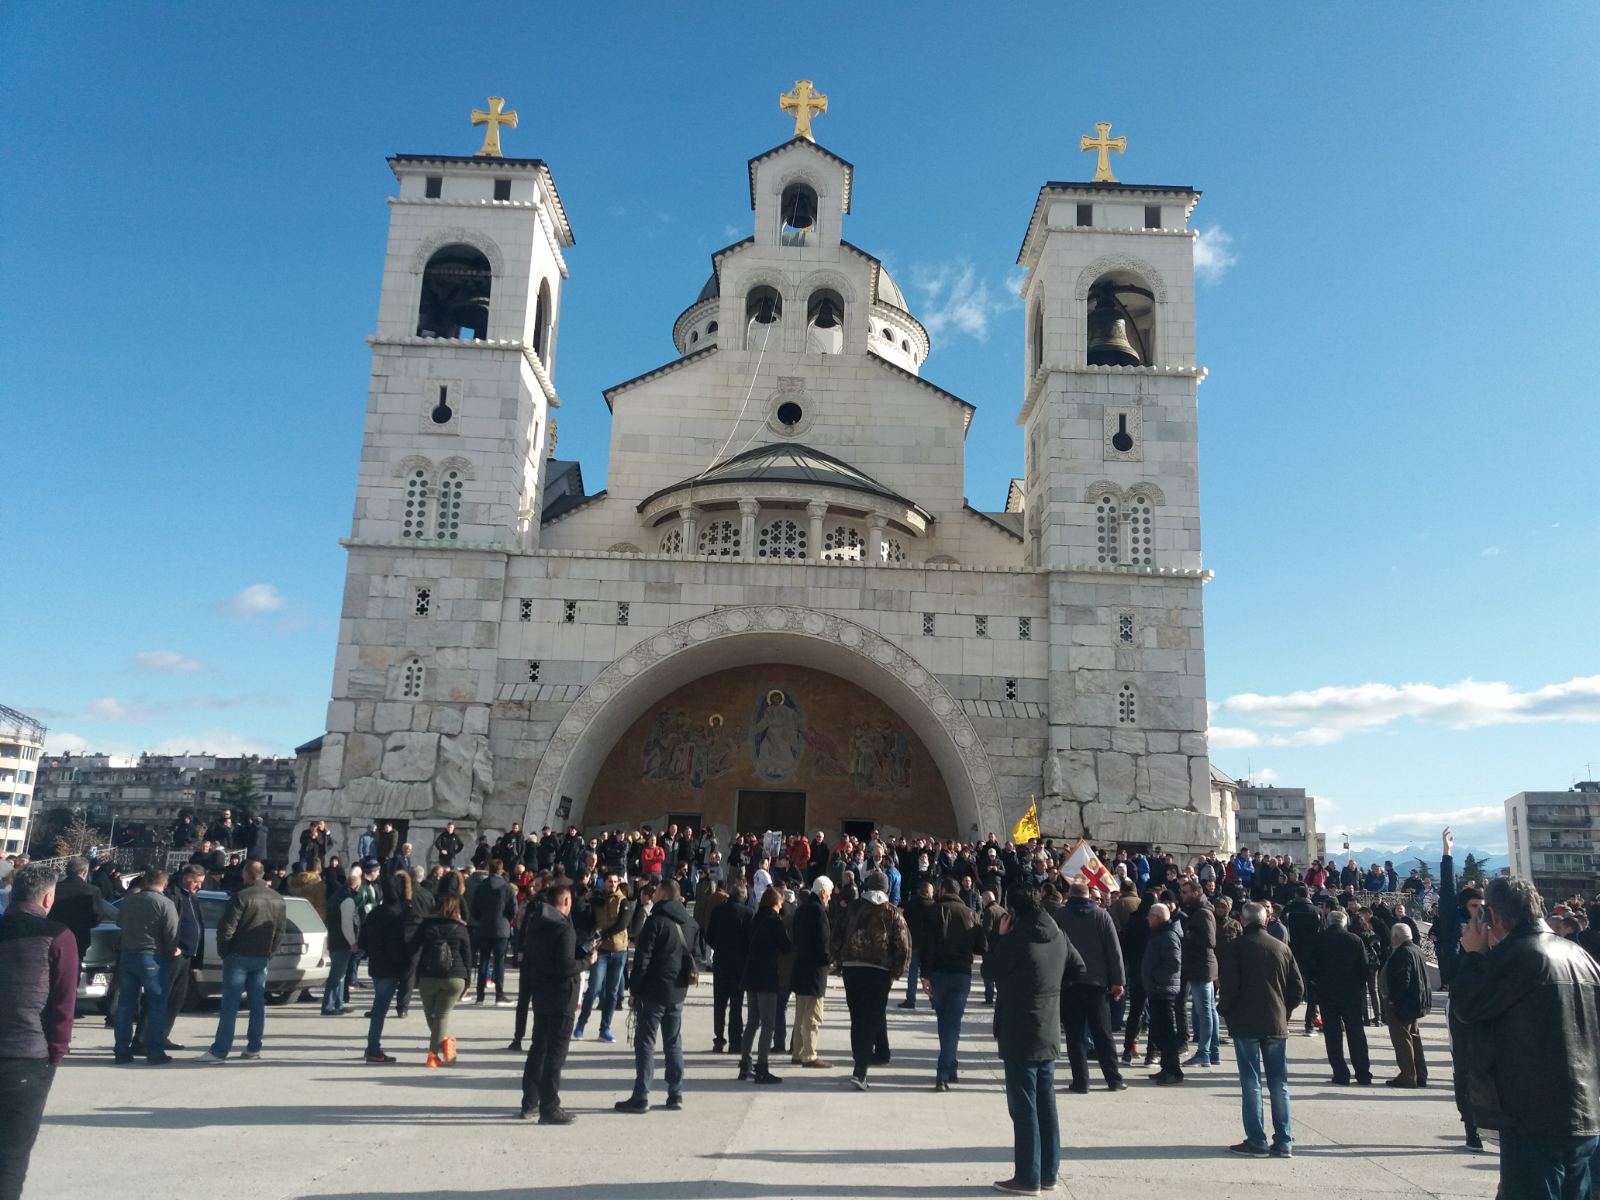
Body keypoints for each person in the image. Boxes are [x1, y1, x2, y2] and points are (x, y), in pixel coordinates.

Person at [1453, 875, 1600, 1196]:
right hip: (1586, 1111)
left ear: (1492, 916)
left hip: (1533, 1116)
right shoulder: (1580, 956)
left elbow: (1467, 1007)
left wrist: (1474, 955)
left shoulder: (1516, 956)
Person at [982, 885, 1082, 1196]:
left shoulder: (1017, 939)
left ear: (1014, 913)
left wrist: (999, 937)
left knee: (1023, 1107)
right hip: (1048, 1025)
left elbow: (989, 970)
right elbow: (1079, 968)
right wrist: (1051, 989)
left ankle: (1027, 1177)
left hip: (1020, 1028)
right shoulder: (1057, 934)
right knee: (1046, 1104)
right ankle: (1048, 1173)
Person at [0, 863, 78, 1200]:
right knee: (11, 1158)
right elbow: (64, 1003)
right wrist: (57, 1052)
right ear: (48, 898)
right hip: (26, 1056)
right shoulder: (59, 936)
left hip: (23, 1052)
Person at [1218, 900, 1304, 1158]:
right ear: (1266, 920)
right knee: (1279, 1084)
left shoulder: (1237, 948)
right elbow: (1297, 989)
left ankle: (1256, 1140)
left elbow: (1229, 988)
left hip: (1246, 1023)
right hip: (1275, 1022)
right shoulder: (1282, 948)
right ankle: (1284, 1140)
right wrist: (1284, 1010)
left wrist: (1225, 1011)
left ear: (1243, 921)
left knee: (1252, 1082)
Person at [615, 878, 695, 1113]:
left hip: (653, 990)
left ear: (663, 894)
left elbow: (642, 960)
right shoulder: (689, 923)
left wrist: (634, 990)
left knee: (646, 1043)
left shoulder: (656, 922)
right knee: (673, 1042)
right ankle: (675, 1093)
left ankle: (641, 1095)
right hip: (678, 990)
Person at [198, 860, 287, 1063]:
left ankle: (220, 1050)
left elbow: (227, 927)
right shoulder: (277, 898)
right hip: (261, 956)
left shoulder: (242, 896)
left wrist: (225, 952)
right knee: (257, 1004)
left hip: (238, 955)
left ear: (247, 874)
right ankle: (254, 1047)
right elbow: (280, 931)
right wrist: (270, 952)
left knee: (230, 1005)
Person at [830, 868, 911, 1090]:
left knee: (857, 1018)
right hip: (879, 972)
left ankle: (860, 1060)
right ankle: (861, 1070)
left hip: (852, 969)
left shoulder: (853, 908)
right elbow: (903, 947)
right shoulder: (893, 913)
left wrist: (839, 959)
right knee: (872, 1018)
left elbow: (836, 934)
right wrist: (895, 972)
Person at [520, 882, 591, 1123]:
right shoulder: (563, 928)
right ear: (566, 901)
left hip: (541, 992)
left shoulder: (537, 923)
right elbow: (565, 966)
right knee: (555, 1054)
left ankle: (530, 1101)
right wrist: (586, 962)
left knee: (538, 1047)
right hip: (561, 996)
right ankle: (549, 1107)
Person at [1053, 878, 1124, 1093]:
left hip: (1069, 983)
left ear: (1071, 896)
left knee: (1075, 1036)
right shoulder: (1102, 916)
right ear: (1088, 896)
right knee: (1103, 1034)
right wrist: (1118, 981)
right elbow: (1114, 951)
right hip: (1097, 983)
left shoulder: (1060, 916)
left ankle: (1081, 1081)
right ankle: (1114, 1079)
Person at [924, 874, 989, 1090]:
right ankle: (949, 1066)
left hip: (939, 973)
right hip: (961, 973)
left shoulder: (933, 911)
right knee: (951, 1023)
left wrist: (925, 975)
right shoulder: (970, 913)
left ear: (942, 891)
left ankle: (943, 1072)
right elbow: (982, 947)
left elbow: (927, 946)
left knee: (945, 1022)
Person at [113, 867, 179, 1065]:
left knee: (125, 1006)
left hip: (127, 954)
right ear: (165, 884)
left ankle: (121, 1051)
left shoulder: (129, 900)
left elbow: (119, 922)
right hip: (153, 956)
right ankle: (155, 1051)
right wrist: (172, 951)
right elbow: (171, 932)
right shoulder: (165, 903)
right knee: (156, 1005)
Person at [1308, 908, 1372, 1086]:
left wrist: (1317, 983)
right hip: (1351, 993)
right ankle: (1363, 1073)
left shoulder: (1319, 940)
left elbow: (1310, 966)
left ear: (1328, 922)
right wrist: (1358, 985)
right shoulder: (1355, 940)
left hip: (1327, 992)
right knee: (1356, 1033)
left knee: (1333, 1035)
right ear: (1345, 923)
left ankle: (1340, 1073)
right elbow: (1364, 967)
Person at [410, 888, 472, 1067]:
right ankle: (444, 1043)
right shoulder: (460, 928)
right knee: (441, 1016)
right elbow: (467, 955)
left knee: (432, 1015)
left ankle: (433, 1054)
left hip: (428, 976)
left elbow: (413, 947)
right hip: (455, 977)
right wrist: (467, 980)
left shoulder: (426, 925)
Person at [737, 885, 793, 1085]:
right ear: (774, 904)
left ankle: (745, 1064)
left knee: (752, 1021)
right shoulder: (774, 921)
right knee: (768, 1024)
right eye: (780, 904)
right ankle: (762, 1067)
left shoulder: (756, 918)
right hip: (767, 977)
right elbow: (786, 947)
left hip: (751, 975)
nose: (781, 907)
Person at [575, 870, 631, 1042]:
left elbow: (623, 923)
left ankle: (605, 1028)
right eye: (609, 881)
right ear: (603, 882)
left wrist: (603, 934)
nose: (612, 884)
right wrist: (586, 898)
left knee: (612, 992)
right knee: (593, 989)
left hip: (619, 950)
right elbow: (584, 917)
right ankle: (581, 1025)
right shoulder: (596, 900)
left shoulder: (623, 901)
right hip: (601, 951)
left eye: (615, 882)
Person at [359, 877, 411, 1064]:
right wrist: (404, 964)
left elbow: (363, 940)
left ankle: (373, 1046)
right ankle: (373, 1048)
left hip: (376, 965)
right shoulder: (398, 914)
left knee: (379, 1006)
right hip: (390, 966)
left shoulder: (375, 912)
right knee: (380, 1009)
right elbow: (398, 944)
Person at [1380, 922, 1431, 1090]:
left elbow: (1402, 980)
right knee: (1414, 1037)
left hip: (1404, 1004)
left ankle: (1408, 1075)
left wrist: (1394, 999)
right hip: (1416, 1002)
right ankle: (1420, 1074)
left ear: (1396, 937)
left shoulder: (1402, 953)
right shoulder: (1416, 950)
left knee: (1402, 1040)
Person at [790, 875, 833, 1069]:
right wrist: (830, 959)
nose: (830, 898)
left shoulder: (802, 909)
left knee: (800, 1013)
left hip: (800, 966)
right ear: (823, 892)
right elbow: (824, 942)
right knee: (813, 1015)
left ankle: (798, 1052)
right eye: (830, 894)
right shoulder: (819, 912)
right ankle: (809, 1054)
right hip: (815, 970)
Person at [707, 880, 754, 1053]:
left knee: (719, 1004)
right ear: (744, 896)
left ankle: (719, 1040)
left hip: (720, 961)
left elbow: (709, 936)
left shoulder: (718, 911)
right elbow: (751, 940)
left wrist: (719, 946)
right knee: (736, 1004)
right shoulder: (748, 913)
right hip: (740, 964)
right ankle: (735, 1041)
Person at [1177, 879, 1219, 1070]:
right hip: (1201, 966)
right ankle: (1212, 1051)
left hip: (1201, 966)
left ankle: (1204, 1053)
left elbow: (1210, 941)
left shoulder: (1202, 912)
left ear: (1195, 892)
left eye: (1185, 892)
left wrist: (1188, 933)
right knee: (1209, 1010)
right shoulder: (1199, 910)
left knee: (1204, 1012)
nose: (1182, 895)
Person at [1141, 901, 1184, 1084]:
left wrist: (1156, 979)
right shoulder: (1159, 934)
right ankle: (1166, 1067)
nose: (1147, 918)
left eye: (1150, 915)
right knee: (1160, 1031)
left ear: (1158, 918)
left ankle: (1173, 1070)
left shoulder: (1168, 935)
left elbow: (1173, 962)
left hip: (1164, 990)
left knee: (1167, 1032)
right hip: (1157, 990)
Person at [470, 858, 516, 1005]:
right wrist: (506, 920)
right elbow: (513, 909)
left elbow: (474, 909)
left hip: (484, 927)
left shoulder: (481, 886)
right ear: (501, 870)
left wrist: (481, 919)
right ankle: (499, 994)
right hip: (501, 928)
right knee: (499, 962)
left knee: (483, 961)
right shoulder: (507, 887)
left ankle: (480, 996)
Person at [321, 867, 362, 1015]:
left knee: (341, 975)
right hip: (342, 942)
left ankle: (338, 1004)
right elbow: (347, 924)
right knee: (336, 975)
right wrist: (353, 942)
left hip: (334, 939)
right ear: (356, 886)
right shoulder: (348, 900)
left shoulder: (336, 896)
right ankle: (329, 1005)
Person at [900, 879, 936, 1009]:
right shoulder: (934, 906)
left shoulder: (911, 904)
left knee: (912, 973)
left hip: (914, 942)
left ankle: (910, 1000)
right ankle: (933, 1000)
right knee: (929, 973)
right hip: (929, 945)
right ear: (928, 892)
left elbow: (905, 923)